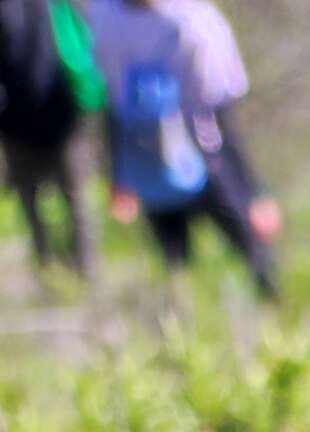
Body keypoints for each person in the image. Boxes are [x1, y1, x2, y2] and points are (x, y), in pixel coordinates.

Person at [88, 0, 279, 296]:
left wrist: (119, 176)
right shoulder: (195, 21)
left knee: (178, 266)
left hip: (148, 161)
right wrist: (254, 193)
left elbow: (112, 106)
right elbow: (220, 115)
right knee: (248, 254)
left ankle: (191, 323)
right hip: (201, 160)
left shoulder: (103, 16)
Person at [0, 0, 96, 274]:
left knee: (59, 200)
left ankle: (63, 270)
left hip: (50, 117)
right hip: (45, 116)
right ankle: (70, 271)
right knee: (71, 199)